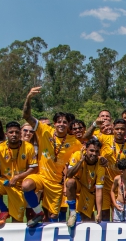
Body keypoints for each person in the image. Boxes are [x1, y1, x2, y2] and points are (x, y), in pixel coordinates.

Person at [21, 87, 82, 226]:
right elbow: (26, 116)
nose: (61, 124)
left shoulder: (75, 143)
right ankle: (38, 213)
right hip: (42, 176)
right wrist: (29, 97)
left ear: (68, 125)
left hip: (56, 182)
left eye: (65, 122)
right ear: (54, 124)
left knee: (54, 215)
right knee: (26, 184)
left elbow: (75, 162)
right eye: (59, 121)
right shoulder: (44, 130)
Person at [0, 121, 39, 227]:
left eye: (17, 132)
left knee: (16, 221)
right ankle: (4, 210)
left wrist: (17, 177)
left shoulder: (28, 147)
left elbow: (34, 168)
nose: (14, 135)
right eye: (11, 132)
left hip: (20, 186)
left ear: (20, 134)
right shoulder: (0, 148)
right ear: (6, 134)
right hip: (6, 183)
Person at [65, 138, 107, 225]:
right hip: (78, 185)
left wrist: (99, 213)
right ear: (85, 149)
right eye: (91, 150)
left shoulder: (101, 165)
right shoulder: (77, 155)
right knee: (70, 182)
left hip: (89, 190)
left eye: (96, 151)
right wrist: (81, 161)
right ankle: (72, 213)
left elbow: (99, 190)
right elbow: (69, 174)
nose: (94, 154)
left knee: (87, 220)